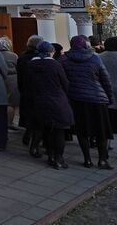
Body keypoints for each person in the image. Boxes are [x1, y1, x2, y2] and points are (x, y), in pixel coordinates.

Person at [62, 35, 114, 169]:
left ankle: (87, 159)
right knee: (101, 131)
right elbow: (105, 80)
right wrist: (109, 97)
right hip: (97, 98)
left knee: (82, 131)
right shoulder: (95, 58)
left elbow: (62, 80)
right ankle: (102, 160)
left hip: (76, 98)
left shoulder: (65, 59)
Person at [27, 41, 73, 169]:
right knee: (58, 131)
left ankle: (50, 155)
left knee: (45, 128)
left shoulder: (31, 64)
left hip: (38, 100)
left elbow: (27, 84)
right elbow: (65, 83)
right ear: (50, 52)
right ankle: (57, 158)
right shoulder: (55, 65)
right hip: (56, 100)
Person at [17, 34, 43, 145]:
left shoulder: (22, 56)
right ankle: (35, 141)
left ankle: (28, 132)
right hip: (38, 90)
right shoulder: (40, 58)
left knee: (29, 112)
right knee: (38, 114)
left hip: (25, 88)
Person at [0, 36, 20, 130]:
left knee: (0, 102)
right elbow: (18, 67)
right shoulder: (14, 55)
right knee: (11, 103)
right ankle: (9, 123)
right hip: (12, 79)